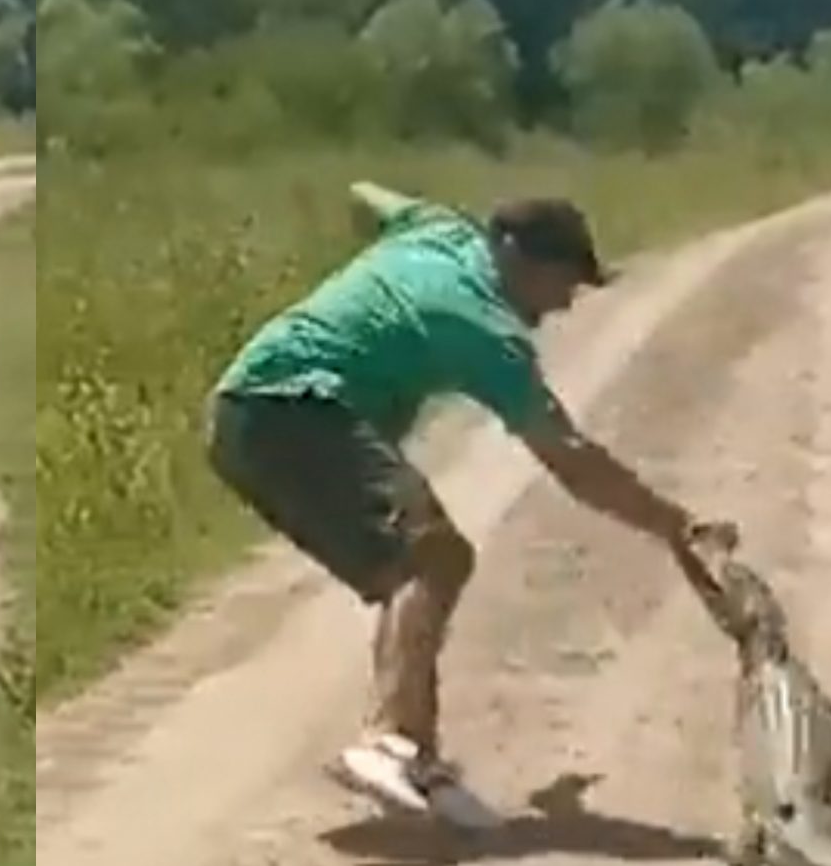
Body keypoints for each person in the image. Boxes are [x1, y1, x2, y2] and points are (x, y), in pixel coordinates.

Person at [204, 181, 736, 830]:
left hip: (247, 413)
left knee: (414, 569)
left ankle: (417, 760)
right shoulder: (485, 327)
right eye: (564, 283)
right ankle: (385, 740)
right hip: (290, 407)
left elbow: (364, 194)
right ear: (522, 261)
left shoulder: (437, 228)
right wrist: (676, 527)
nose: (566, 304)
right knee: (434, 555)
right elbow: (570, 458)